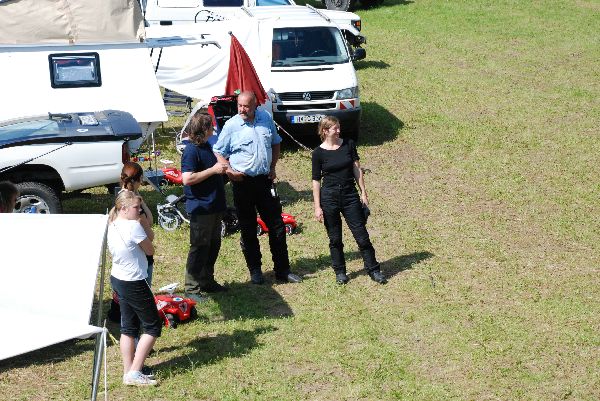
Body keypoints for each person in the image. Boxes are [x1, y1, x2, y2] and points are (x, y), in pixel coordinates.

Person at [213, 91, 302, 284]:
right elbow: (218, 151)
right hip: (242, 183)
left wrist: (272, 167)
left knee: (277, 226)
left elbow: (276, 143)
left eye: (246, 106)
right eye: (240, 106)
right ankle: (255, 271)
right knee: (248, 227)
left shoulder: (265, 118)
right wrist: (229, 171)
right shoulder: (232, 126)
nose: (242, 110)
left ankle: (283, 270)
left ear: (255, 106)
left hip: (264, 181)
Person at [311, 116, 387, 285]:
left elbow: (357, 169)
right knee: (335, 239)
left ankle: (374, 269)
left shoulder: (348, 144)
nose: (338, 131)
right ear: (325, 131)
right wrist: (317, 206)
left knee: (362, 236)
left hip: (349, 195)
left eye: (339, 127)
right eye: (334, 128)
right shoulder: (318, 154)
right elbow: (316, 181)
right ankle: (340, 272)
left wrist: (364, 193)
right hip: (329, 197)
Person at [107, 190, 161, 386]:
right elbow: (150, 250)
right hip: (135, 281)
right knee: (153, 326)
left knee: (128, 327)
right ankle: (135, 371)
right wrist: (143, 224)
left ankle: (127, 370)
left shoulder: (111, 224)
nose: (140, 212)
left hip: (118, 278)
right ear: (124, 208)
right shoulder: (133, 226)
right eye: (137, 208)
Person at [181, 111, 229, 301]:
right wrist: (213, 170)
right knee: (200, 247)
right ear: (204, 129)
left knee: (213, 245)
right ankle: (191, 288)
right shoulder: (191, 151)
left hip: (214, 205)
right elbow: (187, 178)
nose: (214, 129)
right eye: (211, 126)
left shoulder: (206, 146)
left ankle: (206, 280)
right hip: (201, 208)